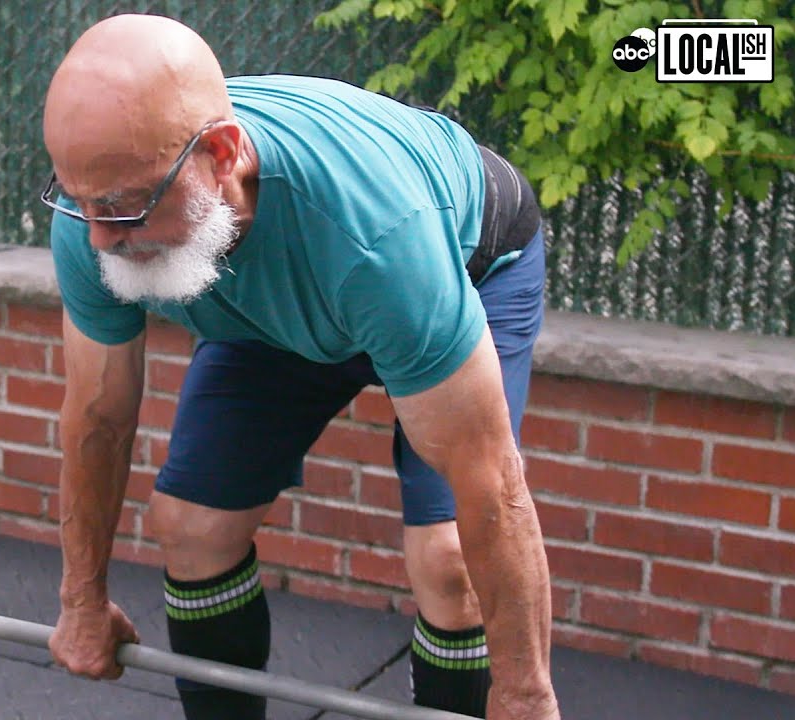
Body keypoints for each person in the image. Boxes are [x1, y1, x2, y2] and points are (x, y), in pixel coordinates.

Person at [39, 13, 560, 720]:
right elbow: (97, 418)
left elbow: (492, 485)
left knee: (448, 563)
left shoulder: (378, 241)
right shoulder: (99, 216)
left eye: (126, 207)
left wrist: (524, 695)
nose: (102, 236)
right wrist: (82, 602)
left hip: (460, 264)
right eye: (81, 203)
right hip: (281, 305)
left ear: (223, 157)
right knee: (190, 528)